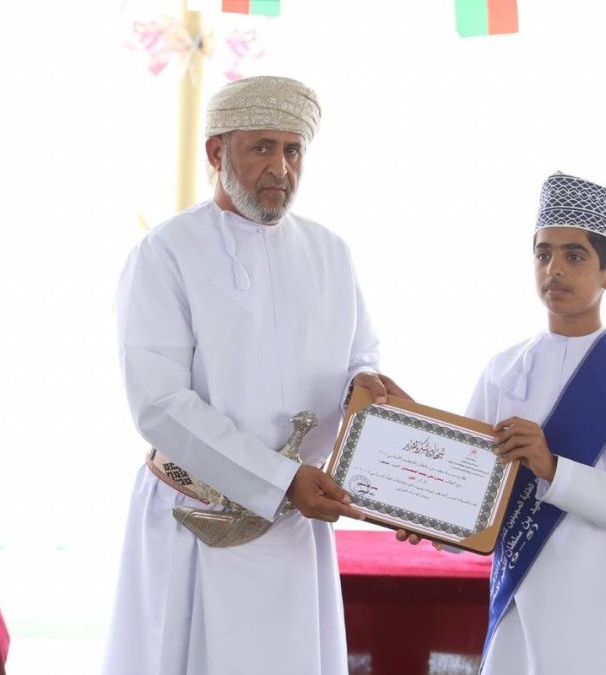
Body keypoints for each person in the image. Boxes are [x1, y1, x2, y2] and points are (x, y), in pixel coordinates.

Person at [102, 75, 407, 675]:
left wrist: (364, 387)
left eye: (293, 150)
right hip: (195, 521)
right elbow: (159, 404)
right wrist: (279, 478)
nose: (280, 168)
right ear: (217, 152)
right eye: (262, 148)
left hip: (296, 527)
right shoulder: (165, 252)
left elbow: (360, 357)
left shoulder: (330, 251)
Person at [466, 172, 606, 675]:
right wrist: (427, 515)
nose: (554, 268)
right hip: (522, 604)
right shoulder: (503, 370)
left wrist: (552, 468)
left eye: (574, 256)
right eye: (543, 254)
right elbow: (469, 480)